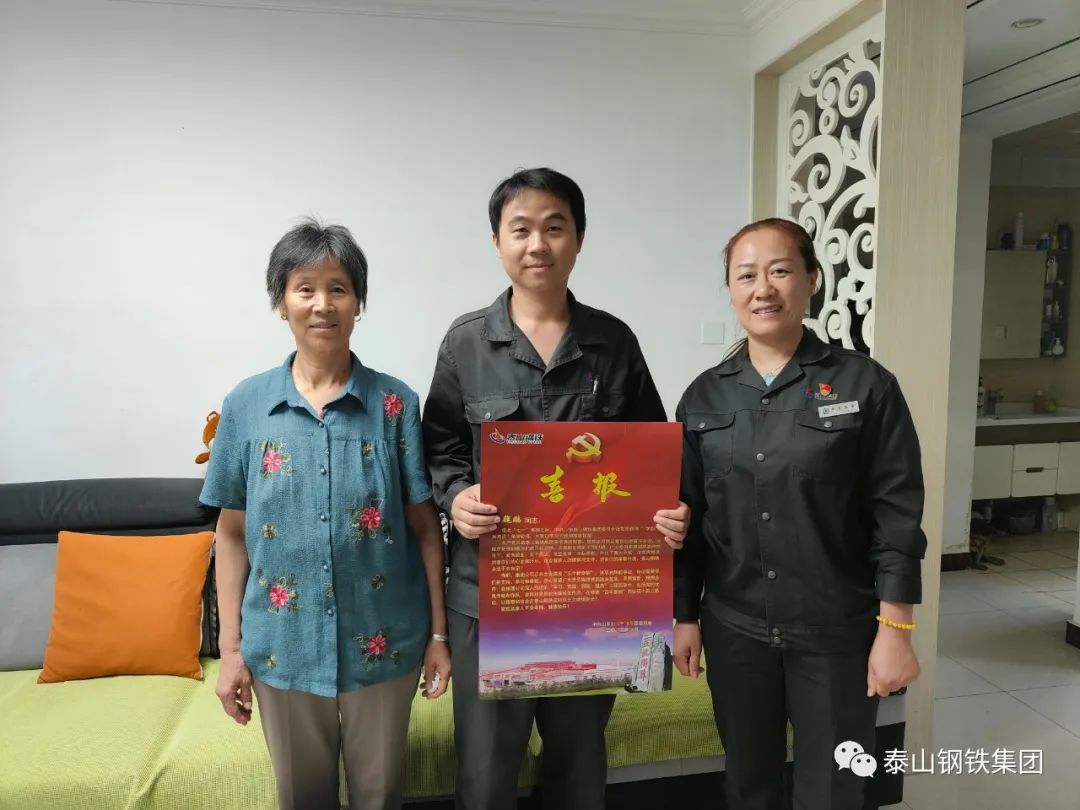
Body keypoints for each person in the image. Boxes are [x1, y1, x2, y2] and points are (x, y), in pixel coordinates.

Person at [422, 167, 689, 810]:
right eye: (520, 230)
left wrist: (668, 511)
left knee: (578, 768)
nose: (537, 244)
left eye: (554, 227)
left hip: (589, 597)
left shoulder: (613, 342)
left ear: (579, 239)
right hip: (490, 592)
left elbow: (652, 454)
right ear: (497, 242)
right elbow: (440, 447)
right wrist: (456, 496)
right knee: (486, 773)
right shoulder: (465, 342)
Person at [673, 218, 925, 809]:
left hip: (835, 631)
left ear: (812, 279)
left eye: (781, 271)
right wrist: (684, 614)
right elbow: (689, 520)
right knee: (748, 785)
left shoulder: (866, 385)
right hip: (735, 630)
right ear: (731, 290)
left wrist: (896, 630)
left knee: (834, 788)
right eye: (746, 275)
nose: (763, 288)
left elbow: (897, 514)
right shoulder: (703, 397)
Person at [200, 219, 451, 810]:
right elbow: (231, 535)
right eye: (305, 288)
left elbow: (424, 528)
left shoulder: (395, 403)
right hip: (282, 647)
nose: (322, 304)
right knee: (302, 797)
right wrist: (230, 651)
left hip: (384, 643)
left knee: (380, 795)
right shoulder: (245, 405)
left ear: (358, 302)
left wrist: (439, 637)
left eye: (338, 288)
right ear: (281, 302)